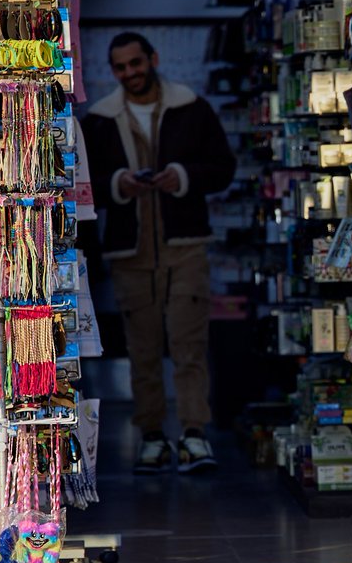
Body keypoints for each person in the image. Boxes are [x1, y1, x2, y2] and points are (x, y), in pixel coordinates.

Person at [81, 32, 236, 474]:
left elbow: (223, 168)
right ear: (113, 71)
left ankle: (194, 433)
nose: (130, 73)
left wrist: (182, 176)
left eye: (136, 63)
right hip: (129, 251)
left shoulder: (192, 107)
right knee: (142, 348)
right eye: (120, 67)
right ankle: (151, 434)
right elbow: (87, 186)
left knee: (189, 345)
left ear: (153, 58)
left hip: (186, 246)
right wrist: (118, 185)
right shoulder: (100, 120)